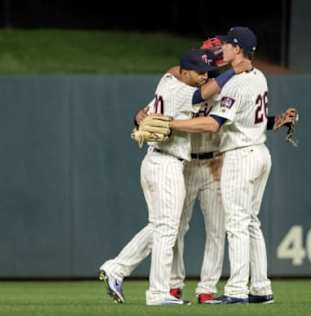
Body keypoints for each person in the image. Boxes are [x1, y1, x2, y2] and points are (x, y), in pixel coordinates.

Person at [98, 48, 251, 305]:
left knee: (163, 226)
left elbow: (142, 114)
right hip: (165, 164)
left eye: (205, 72)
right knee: (167, 229)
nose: (203, 76)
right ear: (184, 71)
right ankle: (158, 293)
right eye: (198, 72)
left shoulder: (167, 81)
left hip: (159, 161)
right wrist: (233, 71)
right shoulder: (181, 91)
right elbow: (200, 94)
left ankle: (116, 268)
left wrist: (139, 120)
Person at [165, 26, 277, 304]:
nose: (221, 49)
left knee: (237, 224)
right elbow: (253, 119)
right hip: (259, 151)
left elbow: (213, 124)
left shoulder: (235, 83)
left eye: (226, 44)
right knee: (251, 223)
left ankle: (237, 291)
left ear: (237, 49)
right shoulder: (259, 76)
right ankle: (261, 288)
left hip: (239, 155)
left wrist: (172, 124)